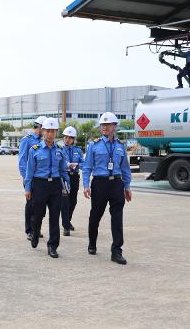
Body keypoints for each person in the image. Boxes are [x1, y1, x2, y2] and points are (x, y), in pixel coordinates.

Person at [82, 112, 132, 265]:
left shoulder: (119, 146)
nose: (104, 127)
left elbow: (125, 168)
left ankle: (116, 251)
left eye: (108, 124)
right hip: (100, 184)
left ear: (114, 127)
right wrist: (86, 185)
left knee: (117, 219)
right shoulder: (94, 145)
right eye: (103, 125)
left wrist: (127, 186)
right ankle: (92, 243)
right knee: (95, 215)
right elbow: (87, 167)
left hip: (116, 184)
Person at [25, 118, 69, 259]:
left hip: (55, 185)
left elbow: (63, 170)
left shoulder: (61, 150)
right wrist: (27, 188)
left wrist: (67, 183)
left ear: (56, 132)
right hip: (39, 185)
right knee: (38, 215)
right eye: (47, 131)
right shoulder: (35, 150)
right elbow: (29, 171)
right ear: (43, 131)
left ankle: (52, 246)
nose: (50, 134)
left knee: (55, 216)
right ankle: (35, 234)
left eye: (53, 131)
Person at [18, 115, 47, 240]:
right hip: (31, 178)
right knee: (30, 204)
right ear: (40, 127)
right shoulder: (27, 140)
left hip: (42, 178)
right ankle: (29, 230)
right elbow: (22, 160)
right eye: (45, 129)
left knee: (40, 205)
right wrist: (26, 178)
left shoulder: (43, 140)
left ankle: (36, 229)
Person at [60, 126, 84, 236]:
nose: (67, 139)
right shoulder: (59, 149)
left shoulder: (78, 150)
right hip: (64, 177)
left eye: (70, 138)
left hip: (74, 177)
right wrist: (67, 165)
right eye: (65, 137)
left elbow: (85, 164)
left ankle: (67, 221)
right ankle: (66, 227)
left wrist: (77, 164)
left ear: (73, 139)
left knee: (73, 201)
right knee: (65, 202)